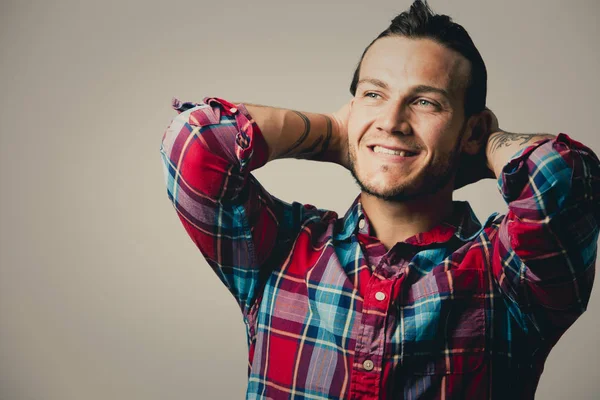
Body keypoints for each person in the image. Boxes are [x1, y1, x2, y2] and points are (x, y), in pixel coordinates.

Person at [159, 1, 599, 398]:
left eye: (426, 102)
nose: (391, 121)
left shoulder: (508, 274)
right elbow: (195, 141)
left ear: (473, 130)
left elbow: (562, 178)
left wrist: (478, 148)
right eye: (374, 94)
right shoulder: (280, 248)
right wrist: (335, 134)